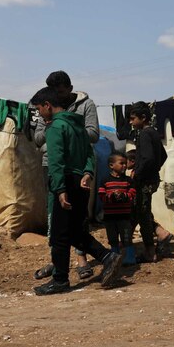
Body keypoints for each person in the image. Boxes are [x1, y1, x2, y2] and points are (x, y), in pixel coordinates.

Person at [29, 87, 122, 295]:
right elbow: (90, 153)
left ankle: (60, 280)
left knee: (61, 235)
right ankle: (107, 257)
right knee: (74, 231)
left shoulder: (55, 128)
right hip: (83, 183)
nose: (39, 114)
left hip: (65, 182)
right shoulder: (78, 126)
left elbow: (56, 162)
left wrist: (60, 189)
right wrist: (88, 173)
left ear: (47, 106)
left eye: (39, 109)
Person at [33, 71, 100, 281]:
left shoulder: (86, 105)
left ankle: (81, 260)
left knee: (77, 216)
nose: (57, 96)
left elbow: (94, 135)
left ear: (70, 89)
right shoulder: (46, 109)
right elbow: (37, 138)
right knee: (56, 216)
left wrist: (69, 128)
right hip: (52, 164)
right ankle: (58, 262)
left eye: (60, 92)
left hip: (77, 167)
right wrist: (53, 127)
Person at [129, 102, 174, 262]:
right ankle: (160, 233)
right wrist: (154, 169)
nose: (131, 122)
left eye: (133, 119)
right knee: (141, 211)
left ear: (143, 118)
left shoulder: (144, 134)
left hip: (145, 182)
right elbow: (163, 156)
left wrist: (137, 173)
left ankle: (150, 250)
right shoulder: (153, 133)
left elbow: (147, 158)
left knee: (143, 214)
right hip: (152, 180)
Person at [98, 152, 137, 262]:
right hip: (110, 217)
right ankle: (115, 258)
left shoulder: (128, 181)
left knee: (126, 237)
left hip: (124, 216)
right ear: (111, 165)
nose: (124, 166)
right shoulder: (105, 180)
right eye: (121, 163)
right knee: (113, 238)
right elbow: (101, 196)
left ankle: (130, 258)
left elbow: (132, 194)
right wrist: (112, 196)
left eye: (125, 163)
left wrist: (123, 196)